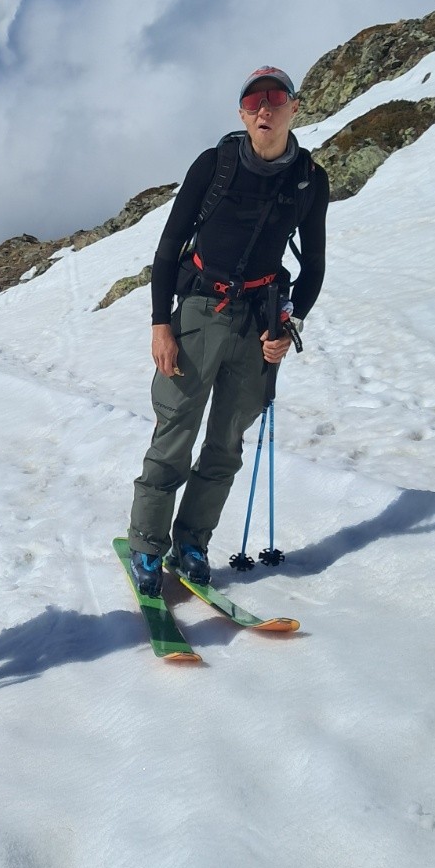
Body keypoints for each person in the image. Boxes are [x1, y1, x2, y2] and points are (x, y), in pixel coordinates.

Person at [125, 67, 330, 595]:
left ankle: (191, 542)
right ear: (242, 113)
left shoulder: (308, 179)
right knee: (175, 430)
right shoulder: (214, 165)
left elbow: (314, 268)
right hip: (198, 310)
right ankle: (148, 547)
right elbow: (168, 249)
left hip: (260, 320)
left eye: (276, 99)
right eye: (255, 101)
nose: (266, 109)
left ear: (294, 107)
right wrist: (160, 324)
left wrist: (288, 323)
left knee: (225, 444)